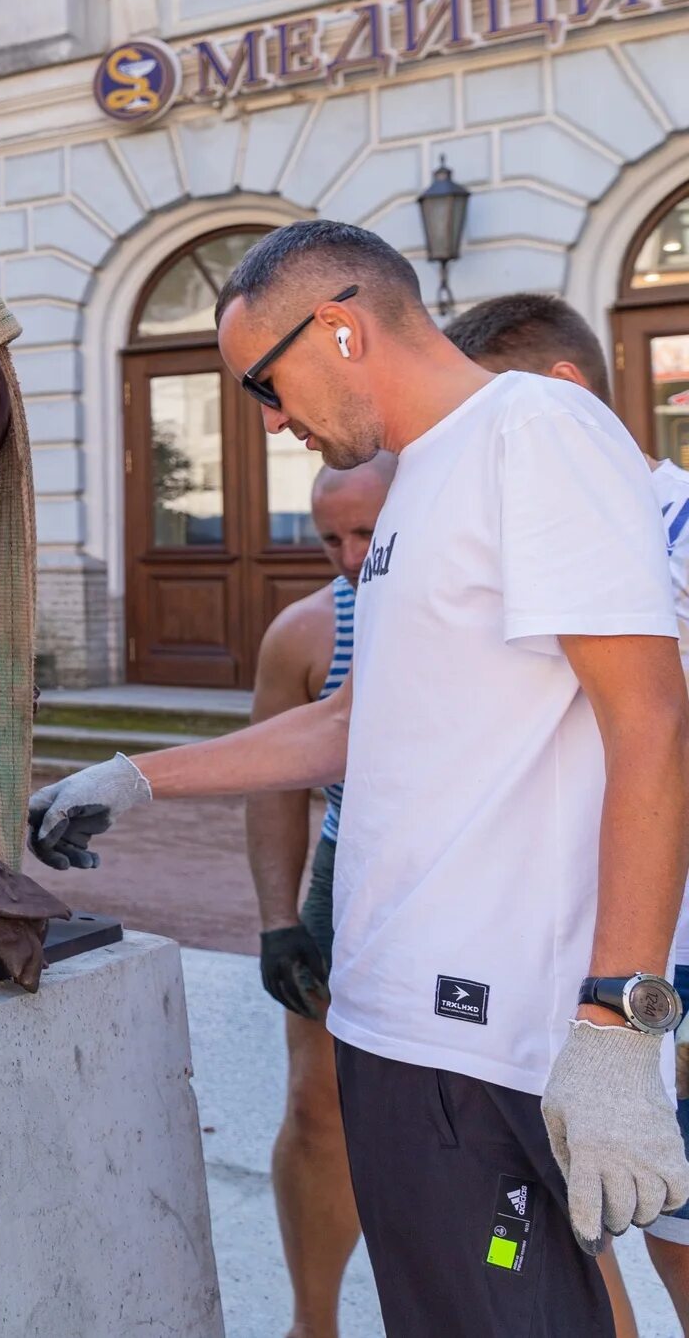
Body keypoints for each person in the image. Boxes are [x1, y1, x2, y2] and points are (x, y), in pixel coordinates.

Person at [28, 221, 689, 1338]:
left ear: (337, 325)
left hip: (481, 1037)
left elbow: (651, 720)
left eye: (263, 384)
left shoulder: (532, 428)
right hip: (393, 1026)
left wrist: (620, 1025)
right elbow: (352, 721)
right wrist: (139, 776)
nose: (271, 421)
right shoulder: (421, 476)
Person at [443, 290, 689, 1336]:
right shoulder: (532, 548)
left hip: (655, 972)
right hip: (579, 952)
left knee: (676, 1233)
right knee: (564, 1233)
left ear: (558, 396)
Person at [244, 453, 390, 1338]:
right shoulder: (304, 633)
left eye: (367, 532)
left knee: (504, 1121)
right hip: (350, 872)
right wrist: (278, 922)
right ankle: (314, 1324)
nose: (347, 554)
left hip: (473, 881)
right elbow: (272, 785)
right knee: (316, 1106)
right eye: (330, 536)